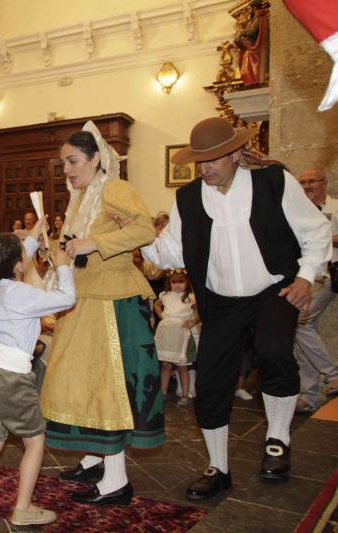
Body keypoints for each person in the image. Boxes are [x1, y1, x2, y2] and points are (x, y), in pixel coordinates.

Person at [142, 117, 331, 500]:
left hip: (273, 289)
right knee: (211, 380)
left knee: (275, 351)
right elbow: (172, 251)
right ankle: (218, 467)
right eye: (199, 161)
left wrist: (306, 278)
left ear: (234, 154)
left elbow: (316, 231)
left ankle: (277, 442)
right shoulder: (188, 197)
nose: (204, 168)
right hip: (220, 300)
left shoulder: (273, 181)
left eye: (212, 159)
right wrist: (140, 237)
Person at [44, 121, 164, 506]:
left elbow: (145, 230)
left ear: (96, 158)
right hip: (86, 299)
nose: (68, 170)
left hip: (113, 302)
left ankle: (116, 481)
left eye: (74, 161)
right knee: (80, 381)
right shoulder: (79, 197)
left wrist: (94, 242)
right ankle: (94, 457)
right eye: (64, 163)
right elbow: (74, 245)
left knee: (106, 387)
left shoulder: (115, 188)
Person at [0, 228, 75, 527]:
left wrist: (32, 234)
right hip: (12, 377)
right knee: (35, 441)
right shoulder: (25, 294)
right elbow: (67, 298)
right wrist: (64, 265)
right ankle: (23, 507)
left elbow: (12, 261)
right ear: (18, 265)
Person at [293, 167, 338, 412]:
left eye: (312, 181)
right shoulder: (299, 210)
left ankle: (333, 374)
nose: (307, 185)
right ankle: (309, 396)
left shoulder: (336, 207)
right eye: (303, 182)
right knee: (303, 329)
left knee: (298, 322)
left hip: (327, 275)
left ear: (324, 183)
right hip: (306, 275)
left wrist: (322, 238)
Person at [154, 270, 200, 406]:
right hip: (167, 334)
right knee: (166, 364)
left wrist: (193, 321)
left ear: (187, 282)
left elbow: (200, 310)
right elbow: (156, 304)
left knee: (182, 367)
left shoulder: (190, 297)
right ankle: (163, 392)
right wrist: (162, 316)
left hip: (182, 334)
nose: (178, 285)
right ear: (169, 282)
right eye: (174, 282)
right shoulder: (166, 295)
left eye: (181, 281)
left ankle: (185, 395)